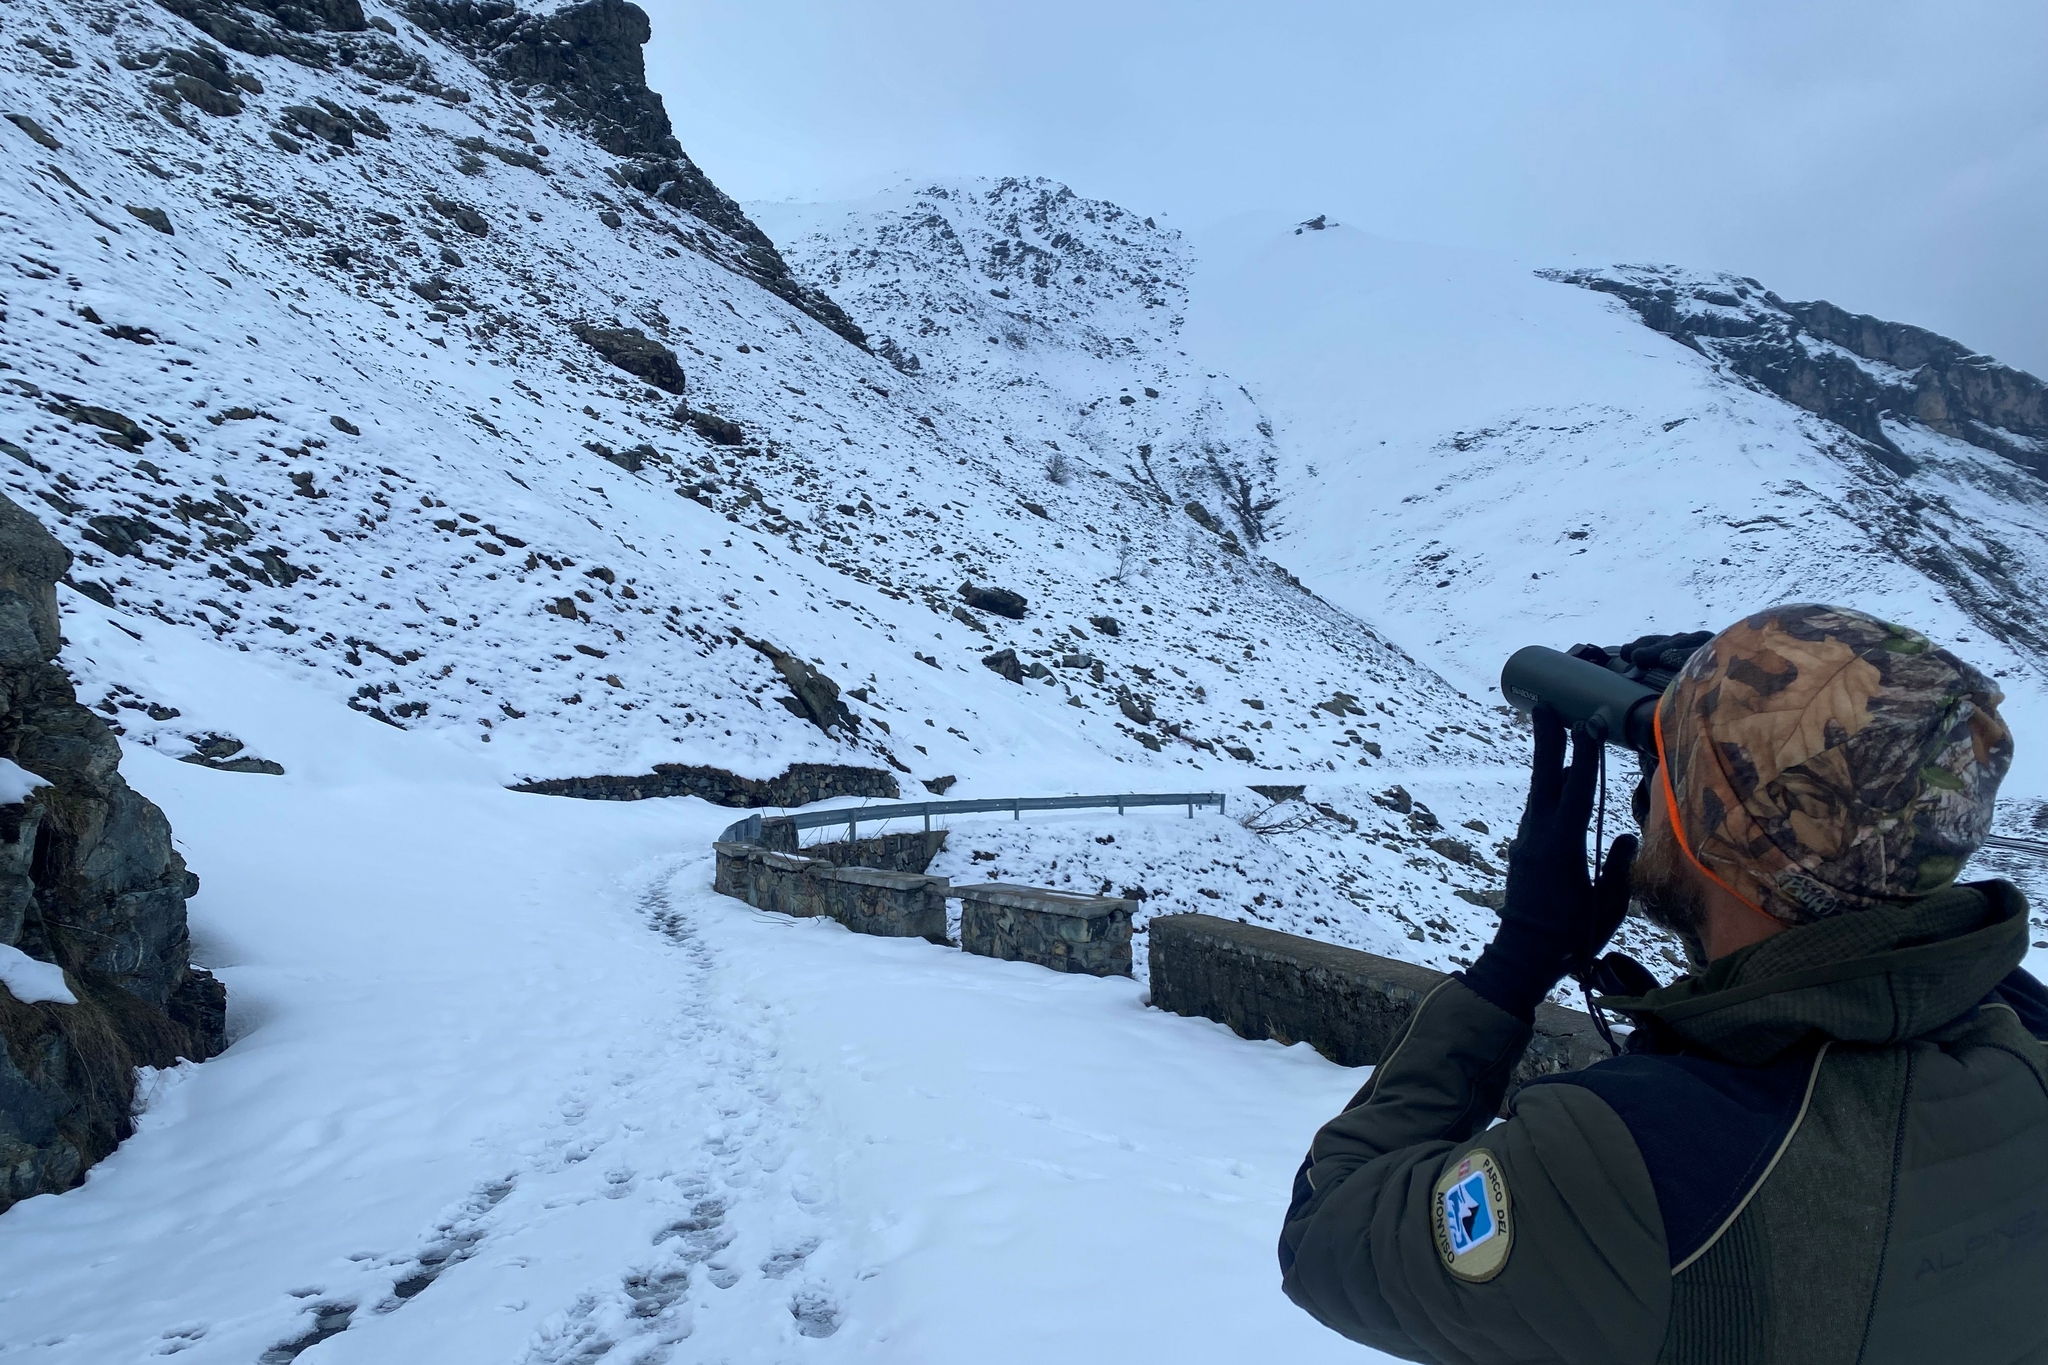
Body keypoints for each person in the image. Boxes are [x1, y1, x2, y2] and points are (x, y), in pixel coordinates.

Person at [1277, 604, 2048, 1365]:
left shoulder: (1631, 1161)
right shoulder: (2021, 1029)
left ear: (1709, 840)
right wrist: (1743, 720)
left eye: (1671, 779)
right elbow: (1819, 895)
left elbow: (1325, 1234)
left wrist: (1516, 963)